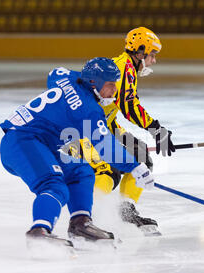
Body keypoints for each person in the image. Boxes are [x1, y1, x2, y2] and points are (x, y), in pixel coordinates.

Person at [0, 57, 154, 247]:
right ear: (93, 83)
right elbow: (105, 148)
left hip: (40, 140)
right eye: (110, 84)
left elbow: (55, 72)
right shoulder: (88, 110)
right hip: (23, 141)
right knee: (54, 185)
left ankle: (80, 224)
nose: (114, 90)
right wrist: (136, 167)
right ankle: (39, 231)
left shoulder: (65, 78)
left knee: (81, 172)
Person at [63, 27, 175, 235]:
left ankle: (126, 210)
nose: (154, 61)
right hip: (84, 129)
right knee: (108, 172)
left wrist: (132, 136)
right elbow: (129, 106)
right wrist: (157, 129)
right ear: (140, 52)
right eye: (152, 55)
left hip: (103, 125)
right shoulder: (124, 68)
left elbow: (113, 110)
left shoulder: (127, 68)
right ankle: (84, 216)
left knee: (140, 155)